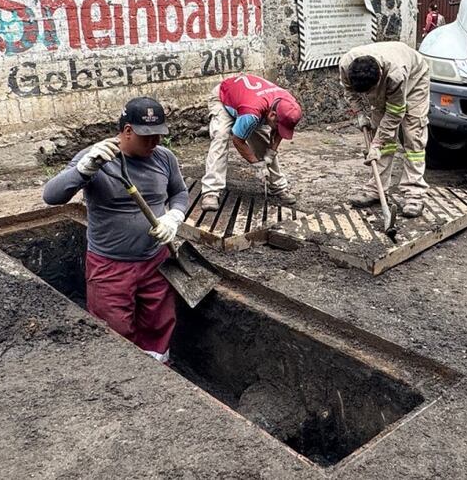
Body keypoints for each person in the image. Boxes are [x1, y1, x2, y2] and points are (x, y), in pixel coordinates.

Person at [42, 97, 188, 363]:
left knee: (158, 322)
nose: (154, 143)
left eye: (158, 135)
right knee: (114, 329)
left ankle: (161, 377)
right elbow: (51, 196)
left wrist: (174, 217)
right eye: (147, 136)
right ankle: (122, 381)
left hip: (156, 262)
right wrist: (83, 170)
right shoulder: (98, 159)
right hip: (110, 266)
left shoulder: (164, 158)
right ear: (127, 130)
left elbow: (179, 192)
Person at [339, 41, 430, 218]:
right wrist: (359, 113)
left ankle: (414, 193)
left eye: (370, 91)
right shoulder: (346, 65)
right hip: (386, 82)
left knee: (413, 136)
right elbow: (349, 91)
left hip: (414, 79)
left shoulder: (396, 74)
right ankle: (376, 188)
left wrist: (376, 143)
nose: (367, 96)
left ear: (379, 76)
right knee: (384, 140)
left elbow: (396, 112)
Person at [200, 73, 303, 211]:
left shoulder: (288, 103)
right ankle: (211, 191)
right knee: (220, 136)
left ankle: (278, 186)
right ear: (272, 115)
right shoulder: (251, 114)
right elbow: (238, 140)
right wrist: (257, 164)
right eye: (278, 125)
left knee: (261, 140)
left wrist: (270, 153)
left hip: (249, 101)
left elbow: (282, 129)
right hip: (223, 97)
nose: (280, 130)